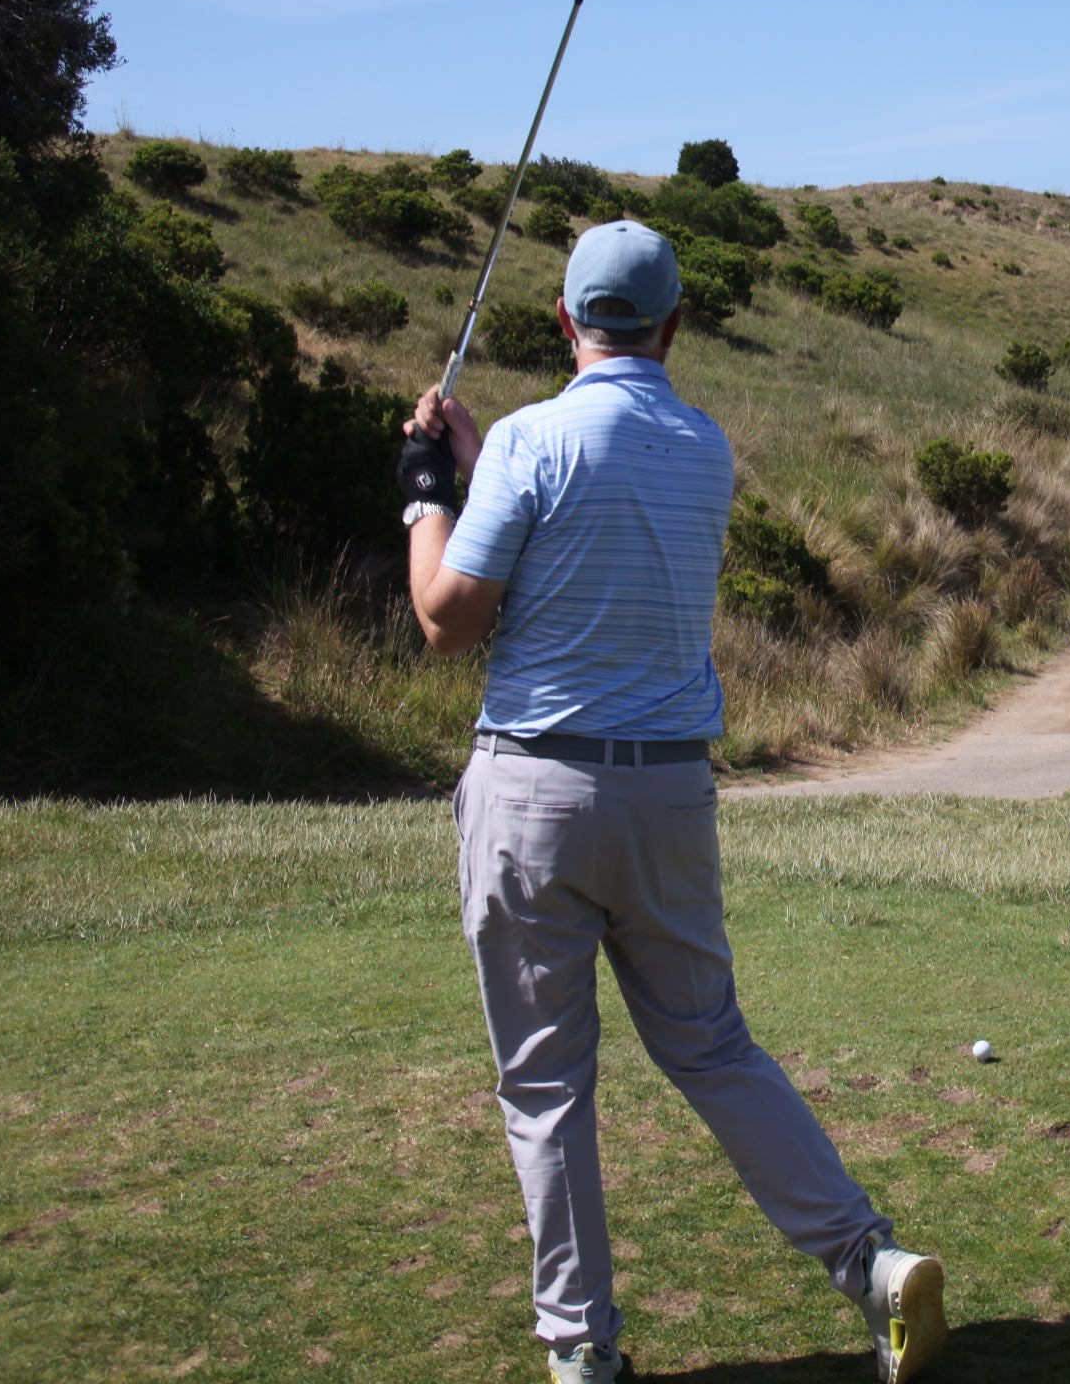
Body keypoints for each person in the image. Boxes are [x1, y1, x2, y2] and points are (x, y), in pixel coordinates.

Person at [397, 220, 947, 1384]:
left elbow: (446, 618)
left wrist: (425, 492)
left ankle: (580, 1346)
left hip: (536, 791)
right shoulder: (705, 446)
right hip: (668, 792)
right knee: (712, 1045)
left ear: (563, 318)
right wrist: (484, 456)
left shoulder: (530, 443)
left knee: (547, 1082)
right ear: (674, 325)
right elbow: (588, 492)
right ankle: (870, 1261)